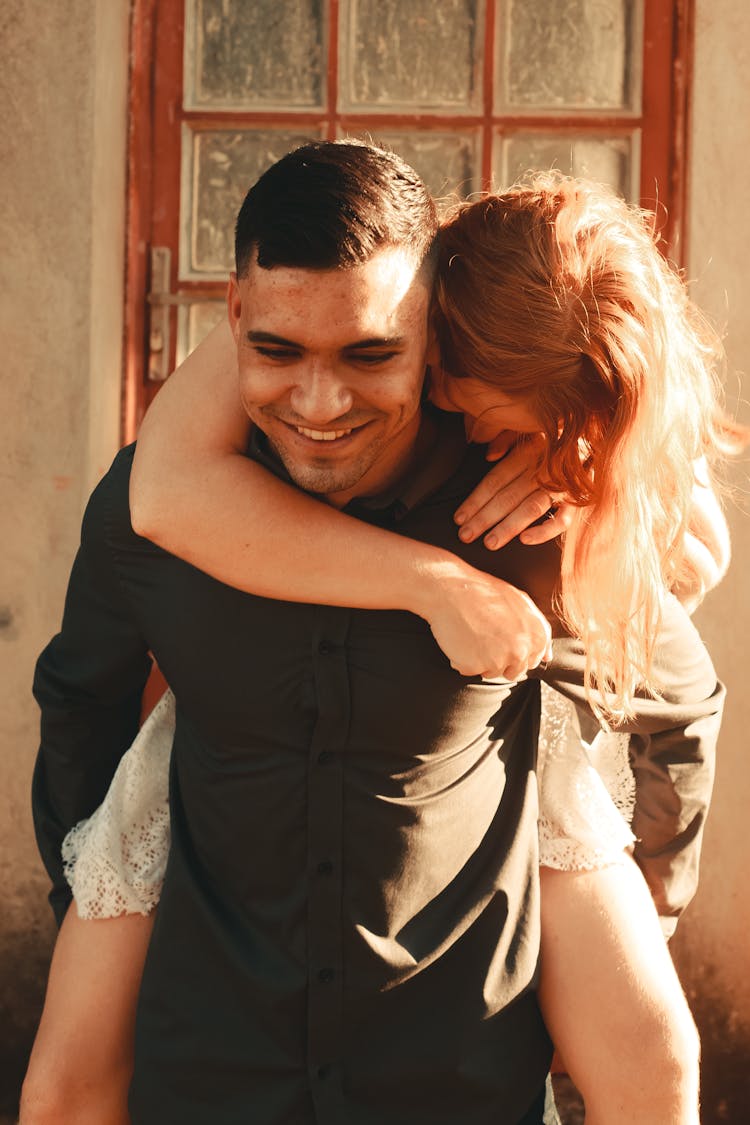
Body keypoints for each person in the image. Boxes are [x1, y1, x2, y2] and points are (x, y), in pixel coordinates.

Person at [24, 145, 726, 1125]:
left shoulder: (524, 519)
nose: (319, 403)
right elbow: (86, 706)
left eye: (368, 354)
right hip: (216, 1072)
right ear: (237, 321)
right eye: (278, 353)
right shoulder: (160, 506)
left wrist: (649, 905)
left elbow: (675, 686)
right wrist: (92, 921)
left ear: (428, 340)